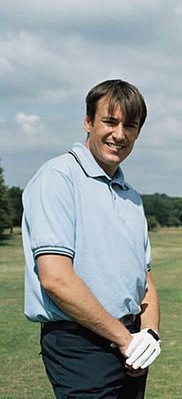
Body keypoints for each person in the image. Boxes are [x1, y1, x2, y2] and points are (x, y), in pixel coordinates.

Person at [22, 79, 161, 398]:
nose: (120, 134)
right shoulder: (57, 178)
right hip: (80, 346)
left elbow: (146, 281)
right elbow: (55, 278)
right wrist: (127, 341)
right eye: (110, 121)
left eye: (130, 125)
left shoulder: (132, 196)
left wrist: (148, 337)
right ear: (88, 122)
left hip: (130, 346)